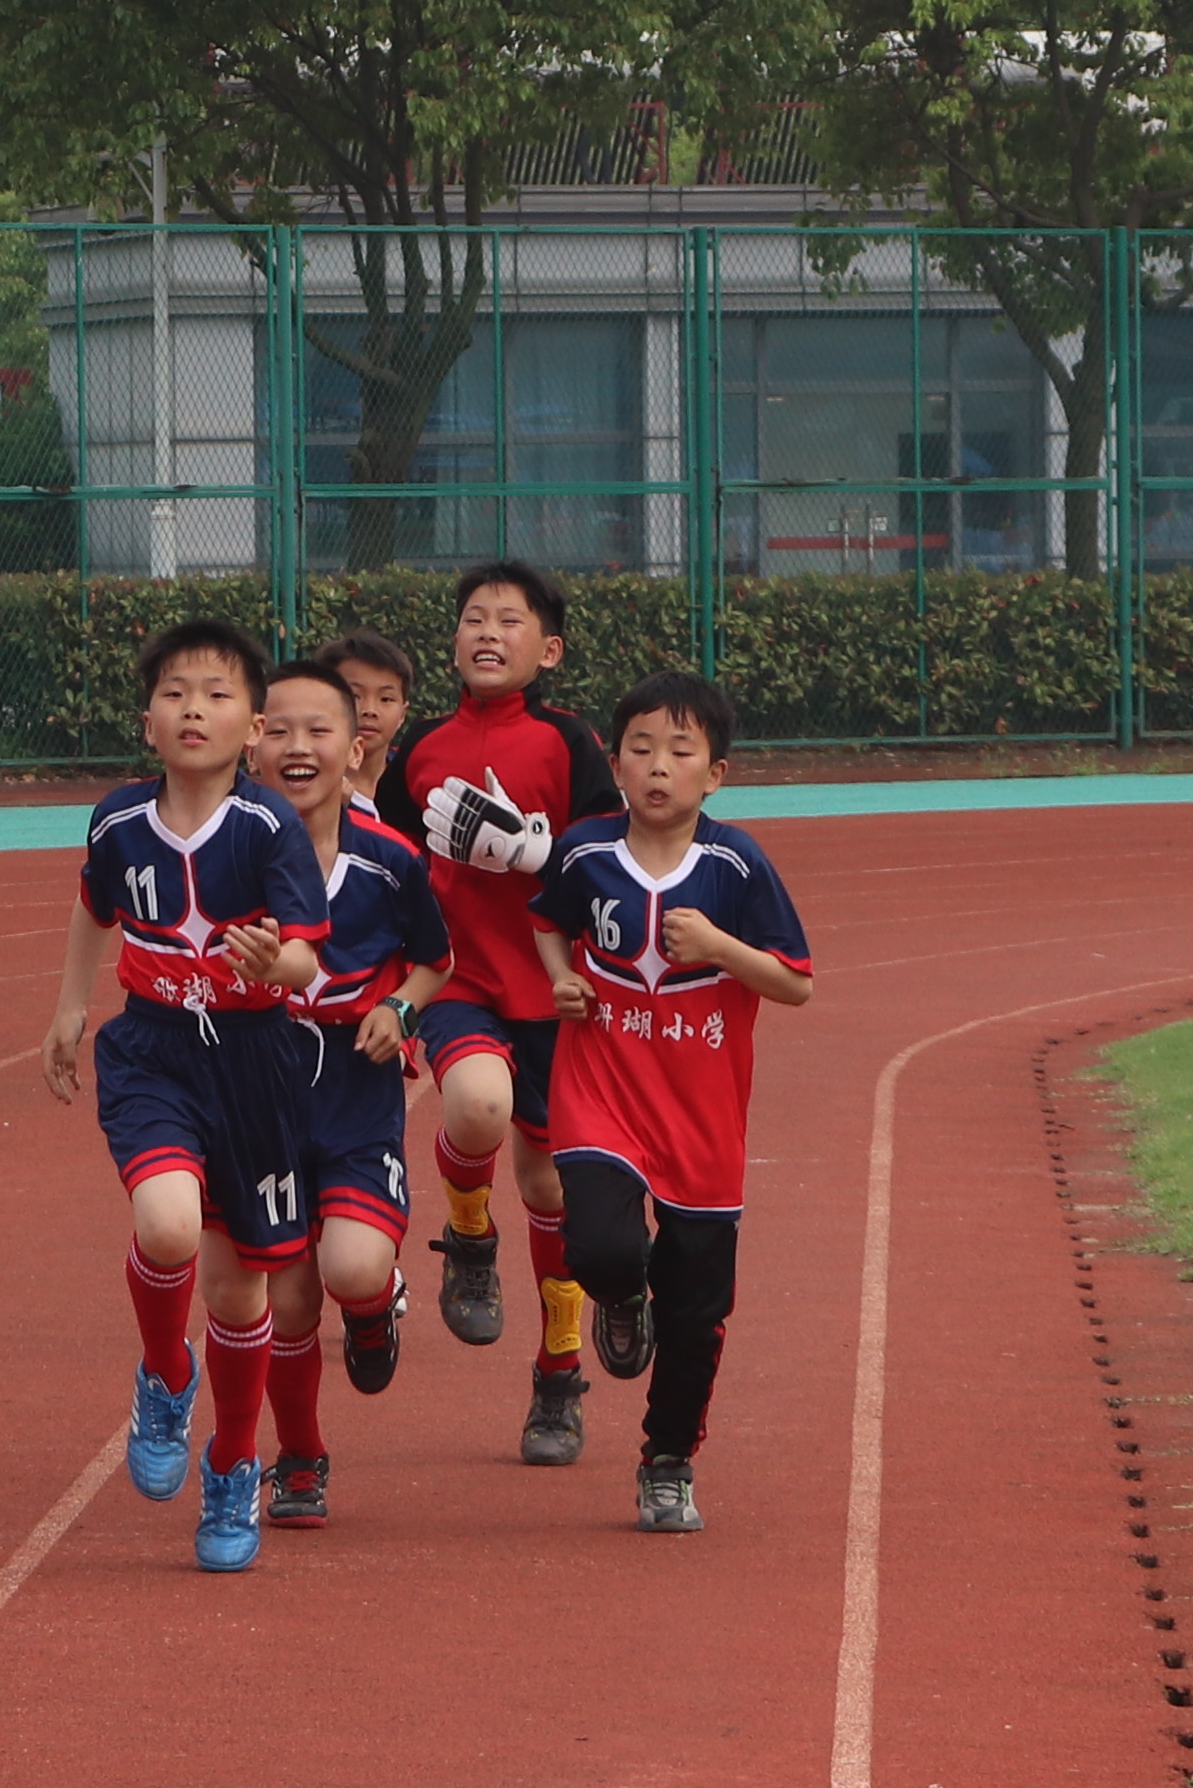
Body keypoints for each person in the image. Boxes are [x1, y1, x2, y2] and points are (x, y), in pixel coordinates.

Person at [45, 614, 333, 1574]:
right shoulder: (118, 820)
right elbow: (95, 906)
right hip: (156, 1051)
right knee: (166, 1225)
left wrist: (276, 960)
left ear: (253, 726)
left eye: (217, 695)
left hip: (255, 1060)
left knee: (239, 1283)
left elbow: (303, 948)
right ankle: (166, 1375)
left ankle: (232, 1463)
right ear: (148, 721)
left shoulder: (269, 827)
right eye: (175, 693)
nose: (194, 709)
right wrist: (70, 1011)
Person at [528, 668, 814, 1535]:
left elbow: (795, 983)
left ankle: (667, 1461)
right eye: (641, 748)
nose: (658, 766)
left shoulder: (735, 863)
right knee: (603, 1248)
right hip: (601, 1091)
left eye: (680, 751)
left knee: (696, 1312)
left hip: (702, 1116)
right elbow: (548, 919)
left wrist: (722, 946)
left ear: (714, 773)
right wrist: (563, 979)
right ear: (614, 762)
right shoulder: (584, 851)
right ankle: (620, 1300)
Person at [399, 559, 619, 1466]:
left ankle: (559, 1374)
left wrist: (540, 851)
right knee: (475, 1106)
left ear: (549, 648)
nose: (489, 632)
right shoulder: (420, 747)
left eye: (511, 620)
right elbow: (384, 858)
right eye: (474, 618)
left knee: (552, 1191)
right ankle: (468, 1234)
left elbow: (613, 851)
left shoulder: (570, 745)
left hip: (555, 995)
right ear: (453, 641)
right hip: (458, 981)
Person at [243, 652, 450, 1525]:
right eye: (279, 729)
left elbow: (437, 961)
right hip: (258, 1083)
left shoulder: (390, 860)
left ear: (354, 743)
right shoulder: (226, 857)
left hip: (355, 1085)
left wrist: (400, 1009)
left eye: (318, 729)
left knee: (354, 1266)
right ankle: (298, 1456)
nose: (298, 746)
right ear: (251, 743)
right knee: (287, 1295)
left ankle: (371, 1314)